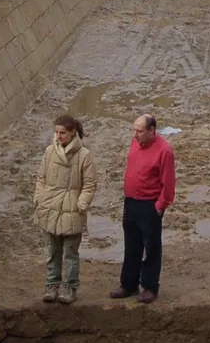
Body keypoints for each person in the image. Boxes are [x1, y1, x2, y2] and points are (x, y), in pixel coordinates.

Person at [33, 114, 98, 304]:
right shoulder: (49, 152)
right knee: (52, 250)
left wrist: (81, 205)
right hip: (50, 207)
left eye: (62, 132)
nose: (59, 136)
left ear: (72, 133)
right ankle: (51, 284)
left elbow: (90, 184)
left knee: (70, 252)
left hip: (72, 210)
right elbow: (41, 178)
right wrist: (39, 198)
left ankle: (69, 287)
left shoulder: (84, 155)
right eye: (57, 132)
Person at [110, 113, 175, 304]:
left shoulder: (165, 151)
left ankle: (150, 287)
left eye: (139, 131)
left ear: (151, 130)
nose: (135, 134)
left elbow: (169, 184)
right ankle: (129, 284)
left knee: (151, 247)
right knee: (131, 246)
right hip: (131, 202)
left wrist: (159, 206)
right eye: (134, 130)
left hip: (150, 205)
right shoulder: (135, 143)